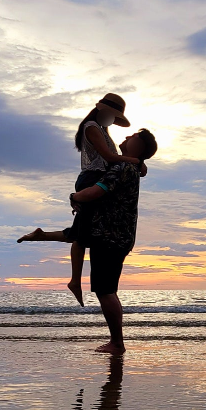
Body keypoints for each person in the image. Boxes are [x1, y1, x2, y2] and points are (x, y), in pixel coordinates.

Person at [17, 93, 143, 306]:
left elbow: (112, 161)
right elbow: (110, 158)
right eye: (112, 116)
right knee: (82, 236)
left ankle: (44, 240)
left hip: (96, 179)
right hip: (90, 180)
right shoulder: (92, 127)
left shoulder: (102, 129)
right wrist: (136, 161)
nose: (112, 121)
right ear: (102, 110)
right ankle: (75, 281)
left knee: (83, 233)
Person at [69, 128, 157, 355]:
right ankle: (116, 341)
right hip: (119, 236)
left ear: (138, 148)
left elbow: (97, 191)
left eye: (132, 137)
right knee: (107, 289)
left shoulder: (123, 167)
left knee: (105, 290)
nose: (127, 137)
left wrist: (75, 197)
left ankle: (117, 343)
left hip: (110, 236)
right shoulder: (131, 167)